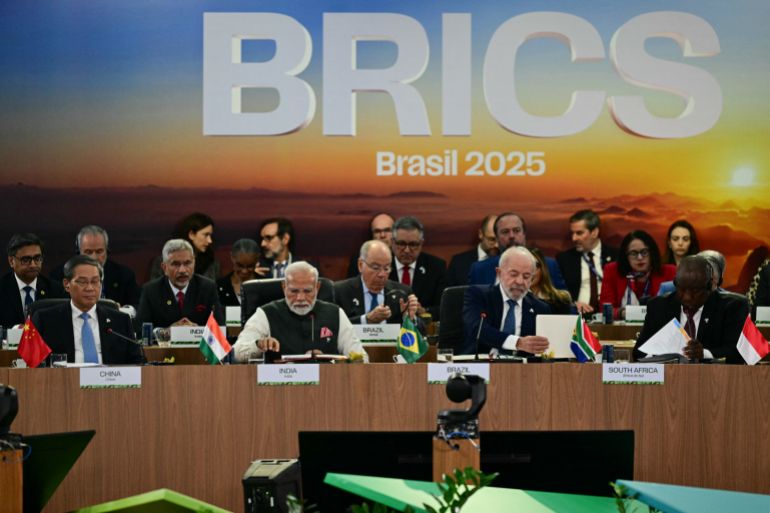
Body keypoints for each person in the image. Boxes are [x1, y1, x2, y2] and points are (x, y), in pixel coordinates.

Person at [233, 262, 368, 362]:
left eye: (307, 291)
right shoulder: (266, 313)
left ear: (317, 287)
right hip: (278, 389)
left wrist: (332, 361)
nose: (301, 298)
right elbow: (236, 352)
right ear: (284, 286)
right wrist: (258, 345)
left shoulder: (335, 313)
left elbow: (361, 358)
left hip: (326, 388)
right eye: (294, 291)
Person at [633, 255, 749, 363]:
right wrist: (661, 356)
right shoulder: (658, 306)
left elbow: (739, 353)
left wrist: (704, 353)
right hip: (669, 377)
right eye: (682, 289)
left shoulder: (733, 306)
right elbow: (639, 352)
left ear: (710, 286)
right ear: (675, 284)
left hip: (715, 379)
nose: (687, 297)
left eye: (695, 291)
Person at [32, 255, 144, 364]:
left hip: (110, 381)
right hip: (62, 381)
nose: (90, 288)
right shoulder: (44, 320)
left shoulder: (121, 321)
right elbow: (30, 365)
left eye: (95, 281)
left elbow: (138, 363)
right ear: (67, 284)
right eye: (82, 282)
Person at [461, 246, 551, 356]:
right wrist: (517, 342)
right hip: (480, 366)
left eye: (526, 276)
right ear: (499, 273)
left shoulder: (540, 308)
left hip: (522, 370)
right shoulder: (478, 295)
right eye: (513, 274)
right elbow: (477, 329)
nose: (519, 281)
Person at [137, 239, 223, 328]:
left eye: (187, 263)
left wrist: (196, 331)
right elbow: (140, 331)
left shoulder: (207, 288)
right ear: (164, 268)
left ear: (194, 263)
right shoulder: (151, 290)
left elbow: (220, 328)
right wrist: (166, 332)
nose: (182, 270)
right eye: (175, 264)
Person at [50, 225, 141, 309]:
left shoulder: (124, 275)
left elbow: (137, 306)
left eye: (99, 251)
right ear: (78, 252)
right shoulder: (60, 275)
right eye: (88, 252)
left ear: (107, 251)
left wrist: (121, 310)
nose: (94, 257)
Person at [468, 212, 567, 290]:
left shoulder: (548, 265)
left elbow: (565, 305)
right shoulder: (479, 270)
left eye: (516, 230)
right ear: (497, 238)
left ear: (524, 234)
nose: (511, 236)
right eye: (505, 232)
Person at [335, 240, 419, 325]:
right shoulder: (339, 291)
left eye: (386, 268)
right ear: (360, 265)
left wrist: (410, 318)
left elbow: (422, 331)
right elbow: (332, 327)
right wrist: (366, 320)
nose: (382, 274)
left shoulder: (402, 292)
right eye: (375, 268)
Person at [599, 230, 676, 317]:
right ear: (626, 256)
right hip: (623, 327)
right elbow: (604, 309)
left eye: (644, 252)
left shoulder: (669, 271)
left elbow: (675, 308)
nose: (640, 258)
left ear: (652, 253)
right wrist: (623, 313)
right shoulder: (612, 270)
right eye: (633, 253)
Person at [555, 210, 618, 313]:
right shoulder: (564, 259)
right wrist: (573, 304)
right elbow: (556, 294)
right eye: (572, 233)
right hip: (578, 318)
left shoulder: (616, 256)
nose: (574, 238)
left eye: (579, 233)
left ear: (594, 233)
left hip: (609, 317)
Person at [0, 233, 65, 328]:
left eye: (37, 258)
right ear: (11, 261)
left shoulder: (55, 290)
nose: (33, 265)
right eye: (26, 260)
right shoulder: (2, 288)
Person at [387, 216, 446, 319]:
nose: (407, 250)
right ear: (392, 242)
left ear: (421, 243)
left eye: (413, 244)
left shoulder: (436, 267)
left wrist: (423, 311)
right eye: (401, 244)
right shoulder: (382, 267)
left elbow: (444, 308)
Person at [150, 212, 220, 281]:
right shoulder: (164, 261)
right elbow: (154, 290)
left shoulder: (212, 264)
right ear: (191, 235)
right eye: (206, 235)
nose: (210, 240)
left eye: (210, 236)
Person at [446, 215, 499, 287]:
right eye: (492, 239)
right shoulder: (458, 262)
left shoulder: (509, 261)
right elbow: (450, 295)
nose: (497, 245)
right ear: (480, 234)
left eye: (499, 240)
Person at [346, 213, 395, 277]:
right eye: (377, 231)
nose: (382, 235)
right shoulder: (360, 259)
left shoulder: (401, 257)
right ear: (372, 235)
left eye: (387, 230)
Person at [217, 238, 260, 306]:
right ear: (232, 257)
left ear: (257, 259)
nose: (244, 271)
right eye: (239, 265)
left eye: (250, 266)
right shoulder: (219, 287)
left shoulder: (265, 285)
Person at [530, 248, 572, 315]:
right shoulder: (513, 301)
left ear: (543, 269)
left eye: (535, 266)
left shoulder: (561, 299)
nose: (530, 272)